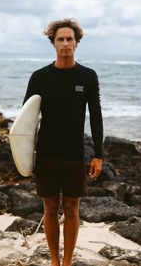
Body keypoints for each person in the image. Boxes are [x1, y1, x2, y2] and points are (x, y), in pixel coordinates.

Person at [23, 18, 103, 266]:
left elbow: (96, 116)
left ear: (77, 43)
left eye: (70, 39)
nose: (65, 44)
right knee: (49, 209)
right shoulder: (40, 77)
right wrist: (23, 157)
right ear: (53, 43)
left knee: (71, 209)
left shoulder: (88, 76)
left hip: (73, 154)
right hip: (46, 153)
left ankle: (67, 262)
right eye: (61, 39)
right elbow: (26, 120)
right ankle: (54, 262)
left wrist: (98, 154)